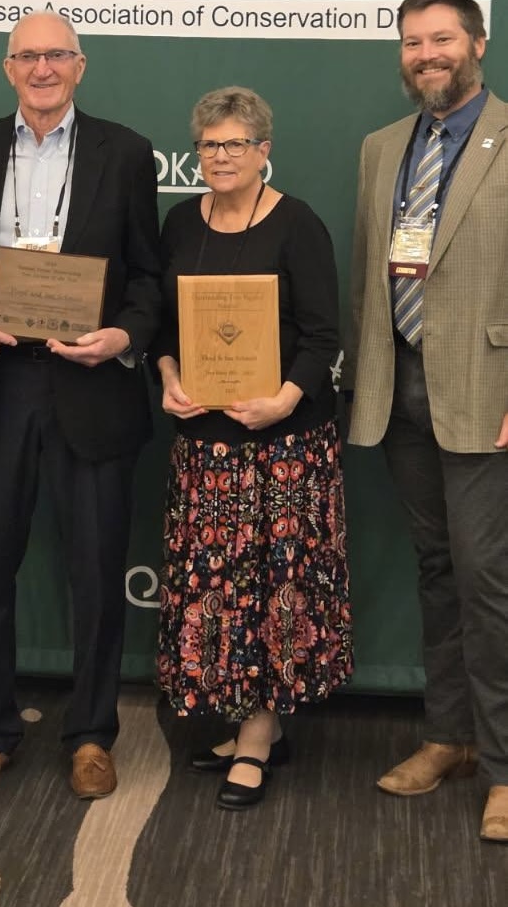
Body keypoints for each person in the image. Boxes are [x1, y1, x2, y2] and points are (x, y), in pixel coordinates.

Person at [0, 11, 161, 801]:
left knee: (97, 572)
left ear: (80, 65)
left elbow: (146, 275)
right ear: (6, 68)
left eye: (55, 55)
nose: (41, 67)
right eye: (26, 55)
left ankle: (92, 732)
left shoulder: (125, 152)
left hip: (89, 384)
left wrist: (120, 337)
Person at [154, 86, 353, 811]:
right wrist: (170, 375)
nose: (220, 156)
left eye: (235, 143)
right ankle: (245, 718)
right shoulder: (179, 221)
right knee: (220, 593)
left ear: (264, 151)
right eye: (209, 144)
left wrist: (282, 400)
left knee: (275, 590)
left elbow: (323, 336)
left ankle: (260, 732)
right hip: (204, 445)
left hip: (284, 448)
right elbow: (164, 328)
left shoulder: (298, 224)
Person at [345, 0, 508, 842]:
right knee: (438, 570)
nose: (425, 54)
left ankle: (505, 761)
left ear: (476, 42)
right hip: (399, 390)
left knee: (489, 580)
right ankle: (448, 736)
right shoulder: (381, 147)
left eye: (440, 38)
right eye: (411, 42)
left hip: (487, 392)